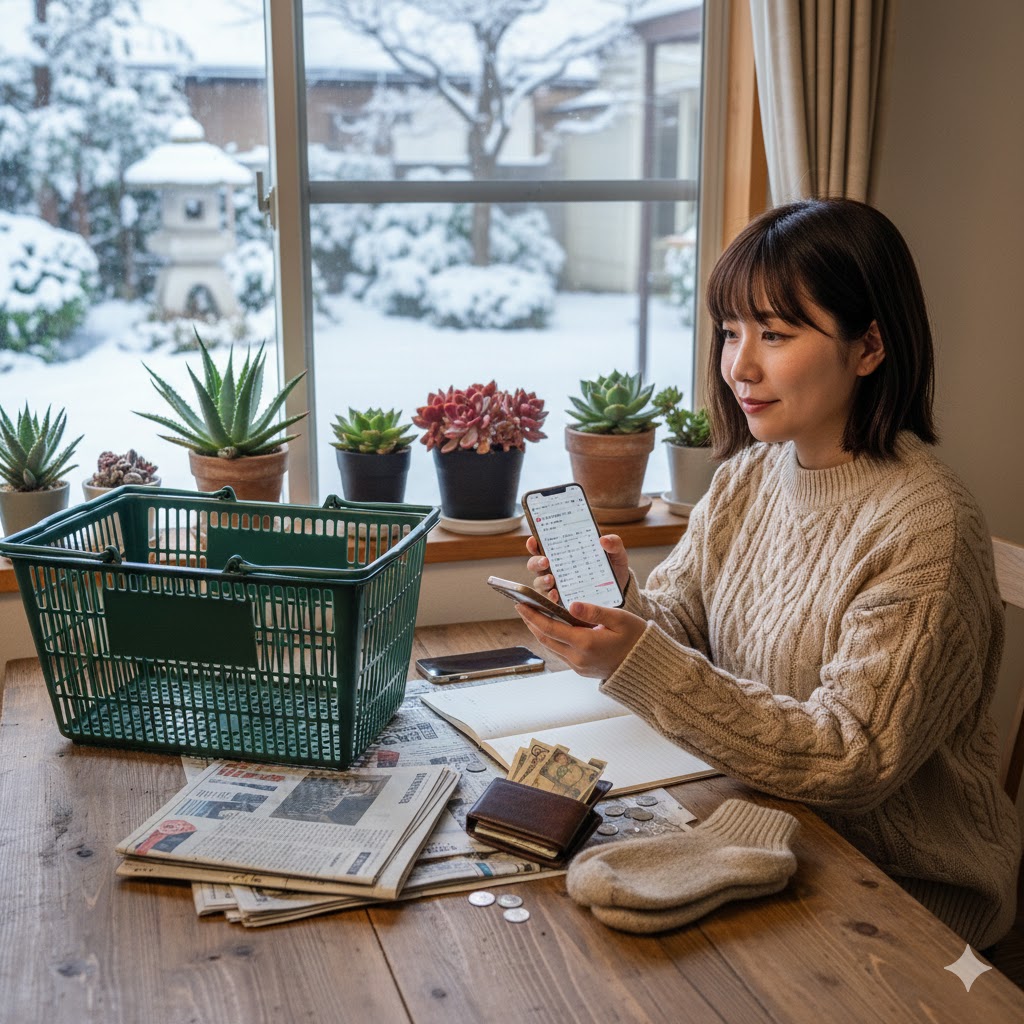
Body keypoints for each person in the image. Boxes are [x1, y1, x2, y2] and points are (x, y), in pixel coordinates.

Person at [516, 197, 1021, 950]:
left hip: (899, 891)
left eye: (776, 334)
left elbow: (854, 760)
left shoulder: (926, 526)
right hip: (760, 821)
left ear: (870, 346)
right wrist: (620, 605)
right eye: (730, 332)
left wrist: (637, 661)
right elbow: (683, 628)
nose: (739, 365)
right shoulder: (749, 475)